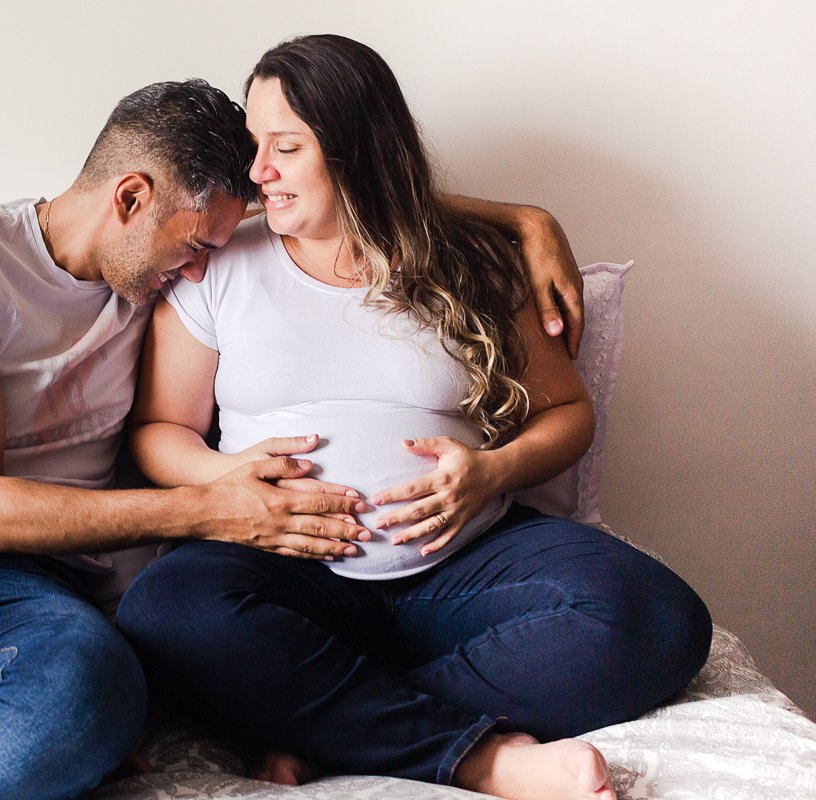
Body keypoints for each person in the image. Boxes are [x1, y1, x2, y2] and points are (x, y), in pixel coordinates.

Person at [0, 76, 583, 800]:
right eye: (196, 245)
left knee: (89, 699)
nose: (201, 271)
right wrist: (214, 507)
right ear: (130, 197)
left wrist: (525, 217)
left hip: (25, 602)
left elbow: (344, 176)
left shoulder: (156, 277)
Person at [115, 35, 712, 800]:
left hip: (462, 567)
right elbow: (160, 432)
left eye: (284, 147)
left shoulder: (467, 262)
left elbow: (568, 413)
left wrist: (492, 469)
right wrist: (229, 477)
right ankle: (480, 760)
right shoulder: (221, 266)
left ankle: (329, 721)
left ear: (355, 149)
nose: (257, 171)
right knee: (165, 609)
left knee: (656, 618)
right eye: (253, 145)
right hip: (288, 570)